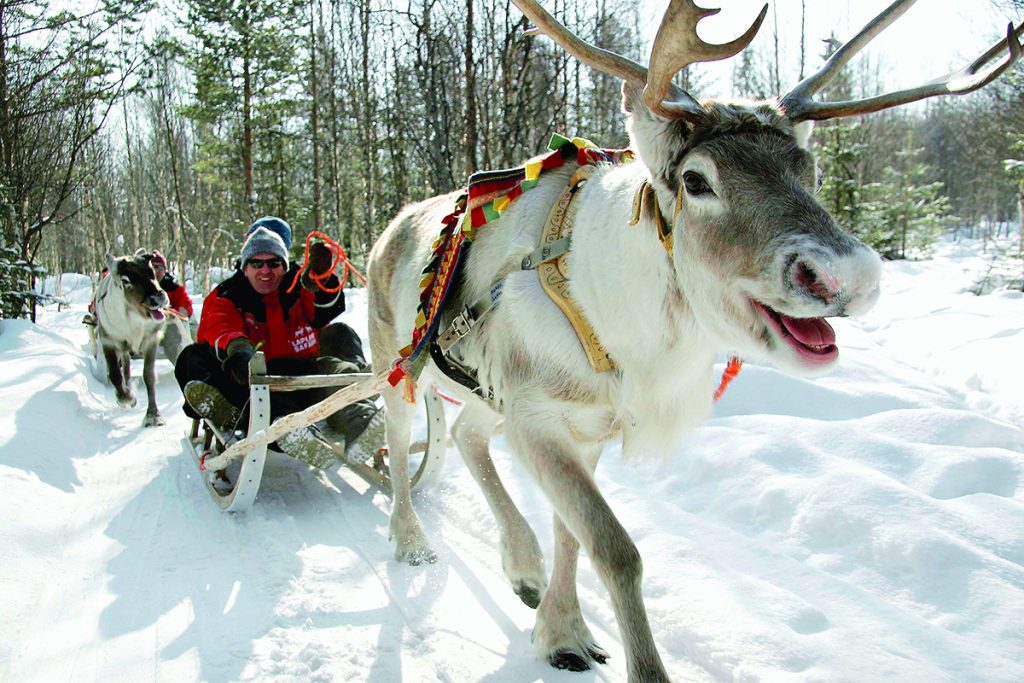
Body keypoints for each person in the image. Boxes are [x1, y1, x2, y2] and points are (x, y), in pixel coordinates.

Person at [174, 216, 383, 468]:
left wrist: (322, 280)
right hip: (257, 377)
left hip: (303, 370)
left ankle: (361, 423)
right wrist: (239, 350)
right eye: (256, 263)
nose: (265, 270)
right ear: (245, 267)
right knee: (206, 363)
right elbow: (221, 323)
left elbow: (322, 311)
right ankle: (289, 432)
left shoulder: (296, 284)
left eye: (274, 263)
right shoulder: (229, 293)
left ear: (284, 266)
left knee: (338, 372)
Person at [150, 249, 196, 363]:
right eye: (153, 267)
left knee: (173, 340)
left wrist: (178, 311)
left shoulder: (173, 288)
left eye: (159, 267)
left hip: (168, 327)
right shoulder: (140, 288)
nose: (156, 271)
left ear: (164, 270)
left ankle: (183, 367)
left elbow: (185, 307)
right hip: (145, 328)